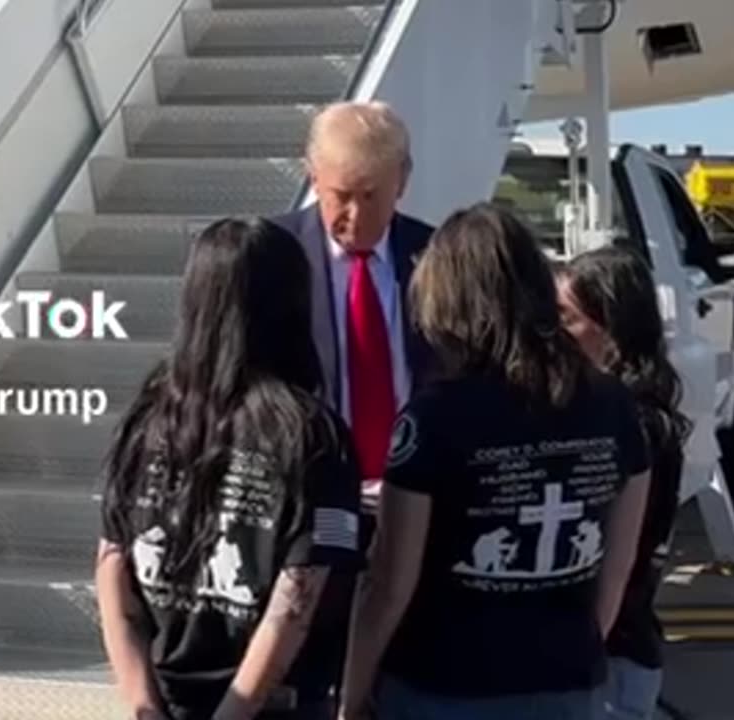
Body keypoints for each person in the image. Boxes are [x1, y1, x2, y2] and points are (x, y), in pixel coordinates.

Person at [337, 203, 653, 720]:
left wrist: (351, 695)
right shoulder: (613, 403)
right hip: (569, 682)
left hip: (443, 683)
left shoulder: (435, 416)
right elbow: (617, 567)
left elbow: (390, 581)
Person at [95, 217, 364, 720]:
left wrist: (142, 706)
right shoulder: (311, 435)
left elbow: (112, 572)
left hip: (166, 699)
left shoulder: (147, 420)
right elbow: (296, 600)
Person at [271, 101, 435, 517]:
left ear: (402, 181)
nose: (356, 215)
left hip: (416, 501)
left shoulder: (437, 255)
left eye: (371, 196)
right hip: (306, 499)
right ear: (313, 178)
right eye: (341, 196)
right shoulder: (273, 254)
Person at [556, 246, 692, 720]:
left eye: (566, 318)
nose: (553, 333)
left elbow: (622, 561)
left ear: (610, 328)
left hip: (611, 657)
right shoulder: (618, 413)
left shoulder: (634, 426)